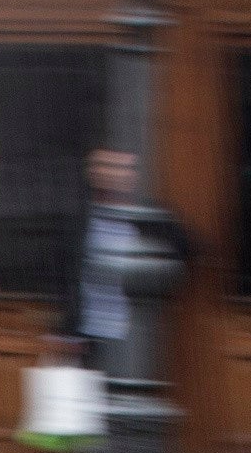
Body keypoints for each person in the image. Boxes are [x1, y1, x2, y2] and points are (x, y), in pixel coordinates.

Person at [47, 147, 193, 372]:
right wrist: (65, 332)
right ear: (92, 173)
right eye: (104, 167)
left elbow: (188, 248)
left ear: (131, 175)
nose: (111, 175)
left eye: (119, 168)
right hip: (89, 338)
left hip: (135, 337)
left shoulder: (148, 218)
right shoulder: (79, 222)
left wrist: (163, 294)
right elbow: (65, 277)